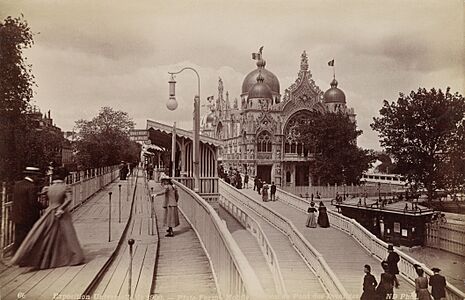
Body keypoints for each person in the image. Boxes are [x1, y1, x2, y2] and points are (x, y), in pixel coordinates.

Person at [10, 167, 85, 269]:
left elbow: (43, 197)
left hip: (47, 212)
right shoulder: (65, 187)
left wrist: (46, 201)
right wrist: (61, 208)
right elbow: (68, 199)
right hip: (58, 212)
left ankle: (21, 257)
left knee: (44, 235)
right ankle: (64, 256)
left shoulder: (48, 187)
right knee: (66, 235)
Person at [11, 167, 45, 253]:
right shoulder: (32, 186)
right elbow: (32, 202)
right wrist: (43, 206)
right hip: (28, 217)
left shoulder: (17, 184)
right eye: (37, 176)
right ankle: (24, 257)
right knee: (27, 237)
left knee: (18, 236)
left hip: (17, 214)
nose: (38, 178)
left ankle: (15, 254)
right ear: (32, 176)